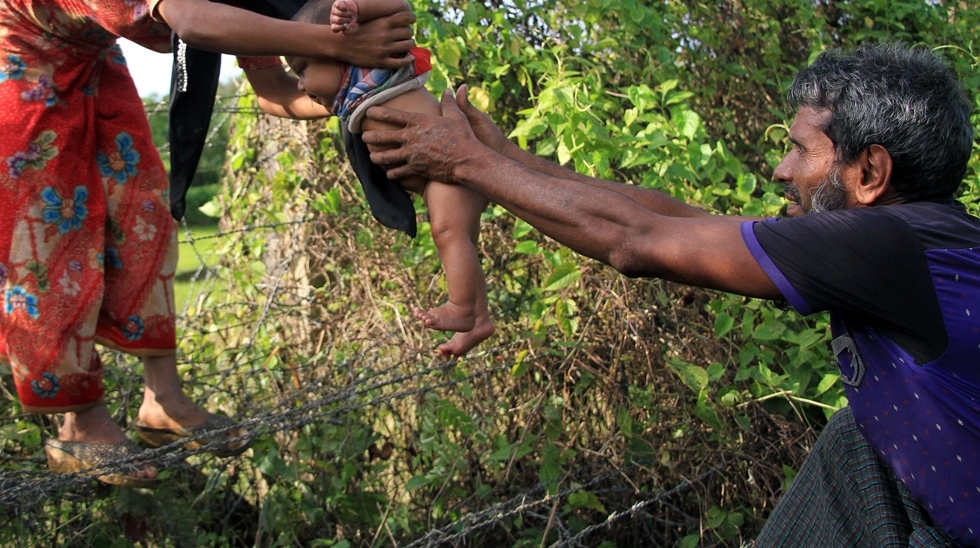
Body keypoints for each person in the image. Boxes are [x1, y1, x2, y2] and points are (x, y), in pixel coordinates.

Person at [360, 43, 979, 547]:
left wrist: (466, 164)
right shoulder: (920, 236)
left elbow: (636, 240)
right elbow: (681, 222)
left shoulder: (881, 246)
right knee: (853, 442)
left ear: (869, 173)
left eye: (800, 149)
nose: (781, 171)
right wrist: (503, 158)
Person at [0, 0, 416, 487]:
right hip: (12, 39)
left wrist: (349, 93)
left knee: (143, 206)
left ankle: (161, 399)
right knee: (41, 223)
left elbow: (274, 92)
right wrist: (336, 44)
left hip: (86, 49)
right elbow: (192, 23)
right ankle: (77, 425)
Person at [285, 0, 493, 357]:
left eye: (302, 70)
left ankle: (461, 310)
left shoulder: (377, 65)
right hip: (434, 181)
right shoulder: (347, 94)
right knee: (460, 244)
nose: (301, 85)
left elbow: (400, 8)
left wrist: (357, 10)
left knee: (448, 233)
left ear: (338, 48)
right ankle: (479, 320)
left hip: (449, 168)